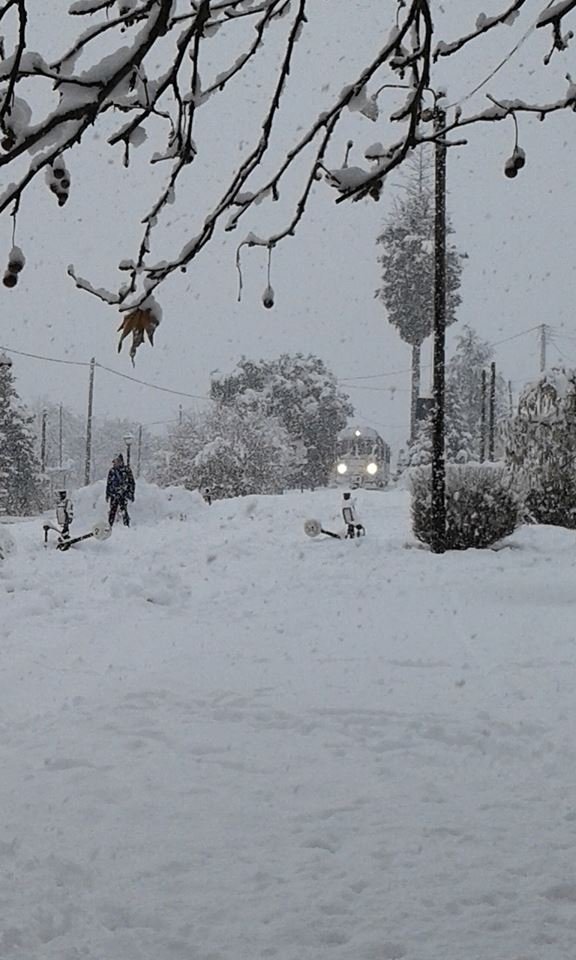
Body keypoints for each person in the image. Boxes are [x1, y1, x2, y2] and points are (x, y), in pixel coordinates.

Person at [106, 453, 135, 527]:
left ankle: (126, 524)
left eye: (117, 461)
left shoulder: (126, 470)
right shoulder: (112, 471)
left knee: (123, 509)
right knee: (112, 510)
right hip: (114, 494)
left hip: (123, 494)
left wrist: (130, 493)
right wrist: (108, 494)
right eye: (114, 462)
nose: (115, 463)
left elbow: (131, 483)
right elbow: (109, 483)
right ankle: (109, 525)